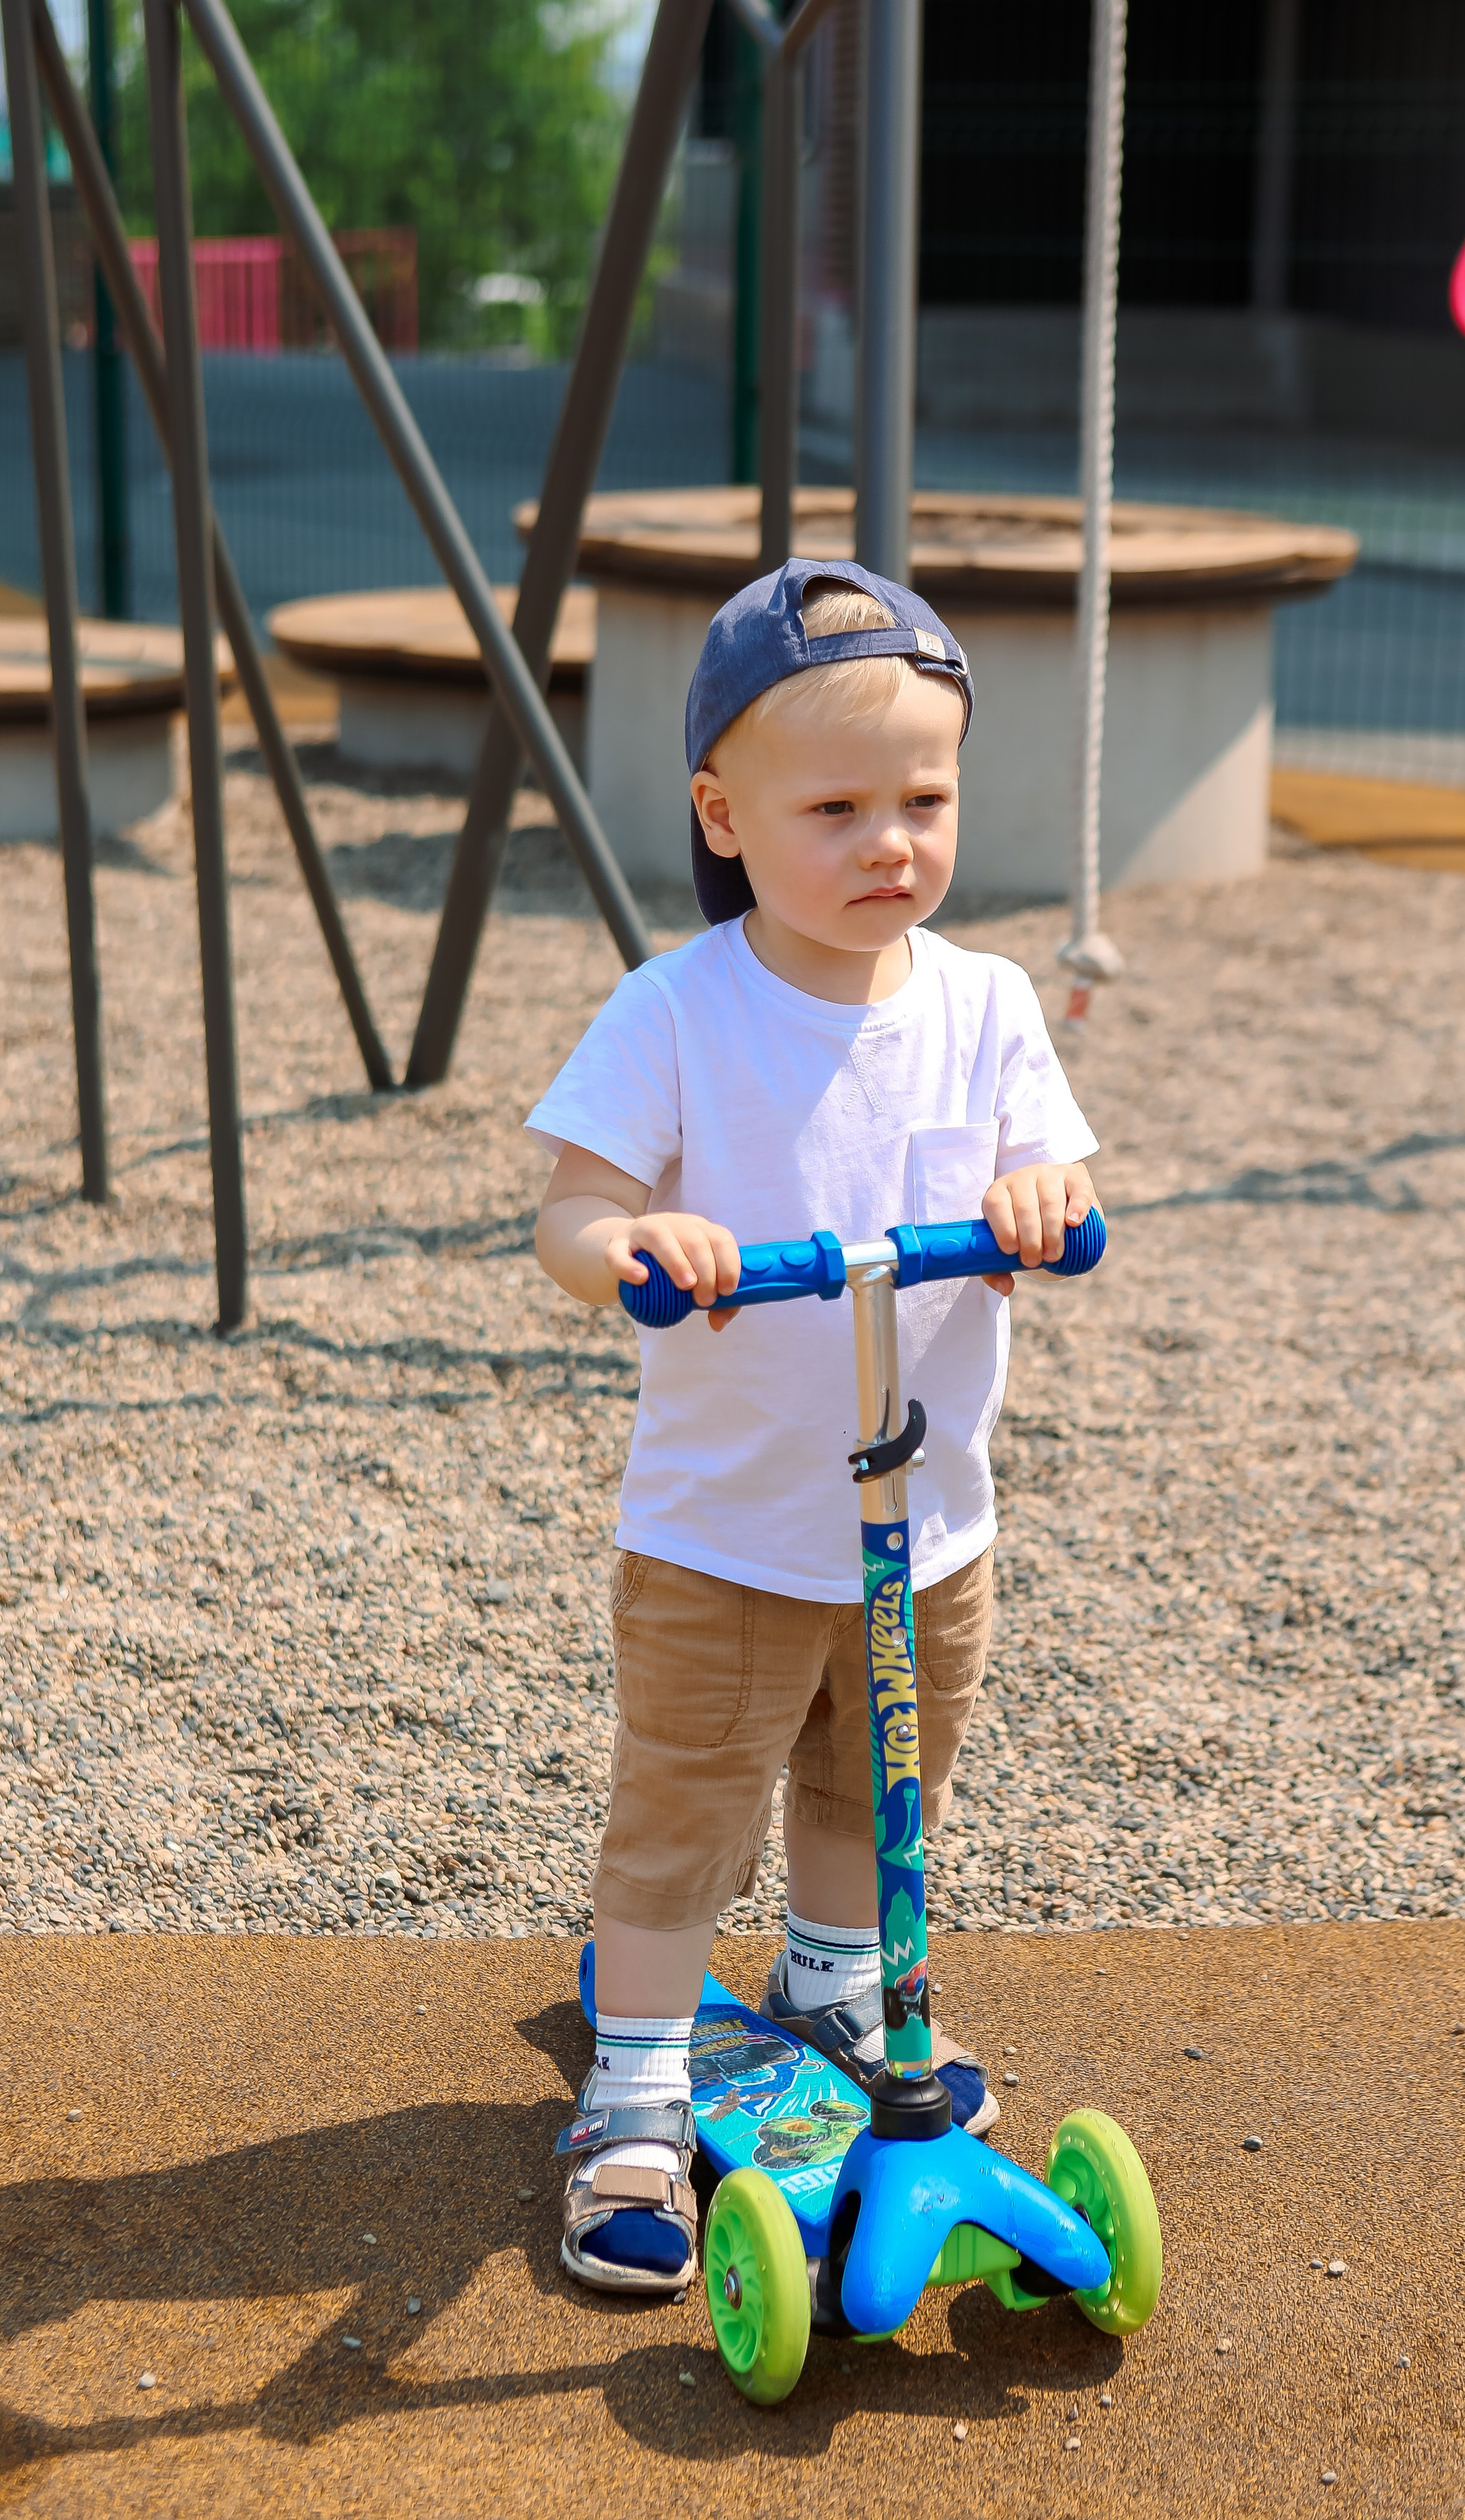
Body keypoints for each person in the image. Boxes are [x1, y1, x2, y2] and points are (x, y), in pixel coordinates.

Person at [528, 558, 1100, 2295]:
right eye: (836, 807)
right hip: (726, 1530)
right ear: (724, 810)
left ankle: (838, 1977)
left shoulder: (991, 1004)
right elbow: (571, 1210)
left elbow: (1047, 1166)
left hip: (931, 1521)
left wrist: (1046, 1199)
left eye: (922, 801)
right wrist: (641, 1247)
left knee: (879, 1782)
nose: (890, 845)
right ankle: (634, 2077)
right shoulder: (678, 1011)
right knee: (687, 1810)